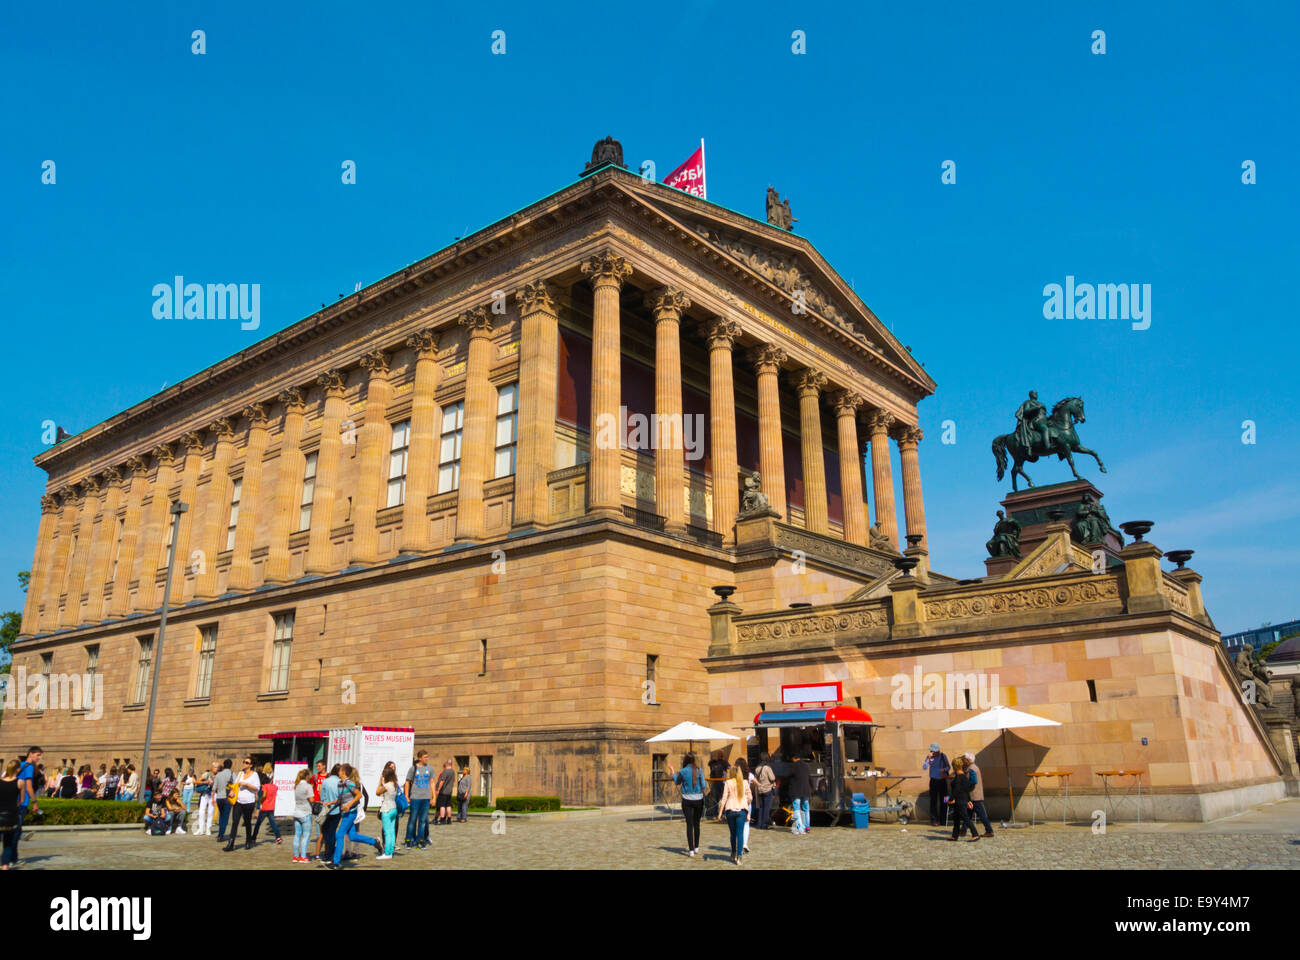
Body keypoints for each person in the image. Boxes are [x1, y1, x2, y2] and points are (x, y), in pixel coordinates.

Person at [330, 764, 381, 869]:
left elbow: (359, 795)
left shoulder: (349, 783)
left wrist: (348, 805)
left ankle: (336, 862)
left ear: (343, 772)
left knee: (339, 835)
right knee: (352, 836)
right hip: (345, 813)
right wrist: (329, 803)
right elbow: (340, 800)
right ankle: (374, 842)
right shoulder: (340, 783)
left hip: (351, 813)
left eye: (340, 770)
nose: (338, 771)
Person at [666, 753, 706, 857]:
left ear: (685, 761)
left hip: (687, 801)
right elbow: (704, 785)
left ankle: (691, 850)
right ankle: (696, 847)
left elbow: (677, 782)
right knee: (697, 824)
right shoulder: (699, 770)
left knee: (689, 825)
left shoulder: (683, 771)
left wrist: (672, 771)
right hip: (699, 799)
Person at [716, 763, 752, 865]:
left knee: (733, 834)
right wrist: (746, 802)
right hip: (741, 810)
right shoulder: (744, 782)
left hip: (730, 810)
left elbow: (724, 798)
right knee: (740, 833)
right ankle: (739, 856)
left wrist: (720, 813)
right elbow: (750, 797)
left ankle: (733, 852)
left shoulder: (728, 782)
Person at [223, 757, 259, 851]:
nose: (244, 764)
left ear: (251, 765)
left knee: (247, 822)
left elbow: (257, 788)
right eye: (244, 762)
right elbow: (235, 786)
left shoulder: (254, 775)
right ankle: (230, 843)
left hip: (249, 802)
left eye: (247, 762)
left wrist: (246, 785)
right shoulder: (240, 774)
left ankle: (248, 841)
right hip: (238, 801)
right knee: (235, 822)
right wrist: (232, 792)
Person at [404, 751, 433, 848]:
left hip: (426, 798)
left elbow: (432, 783)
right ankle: (409, 840)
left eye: (427, 757)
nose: (427, 759)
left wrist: (433, 797)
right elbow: (407, 782)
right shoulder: (413, 769)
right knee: (412, 820)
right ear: (420, 758)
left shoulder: (429, 768)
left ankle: (420, 840)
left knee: (423, 820)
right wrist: (407, 796)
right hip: (415, 797)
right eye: (425, 757)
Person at [963, 752, 994, 838]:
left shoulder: (972, 769)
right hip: (973, 795)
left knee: (981, 814)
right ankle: (963, 830)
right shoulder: (972, 767)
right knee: (968, 814)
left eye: (965, 759)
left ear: (968, 760)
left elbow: (973, 781)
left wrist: (965, 785)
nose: (963, 760)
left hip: (974, 795)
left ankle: (989, 830)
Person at [316, 764, 342, 863]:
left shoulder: (325, 781)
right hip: (337, 810)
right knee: (332, 831)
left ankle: (329, 852)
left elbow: (322, 796)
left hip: (326, 810)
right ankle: (330, 852)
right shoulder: (340, 782)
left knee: (326, 832)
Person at [948, 757, 978, 842]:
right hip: (962, 800)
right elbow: (966, 789)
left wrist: (951, 799)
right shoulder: (963, 776)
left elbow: (956, 790)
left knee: (965, 818)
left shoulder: (958, 777)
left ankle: (975, 834)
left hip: (959, 801)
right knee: (956, 818)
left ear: (954, 766)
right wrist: (968, 801)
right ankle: (954, 835)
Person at [252, 764, 282, 845]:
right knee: (273, 823)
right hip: (272, 808)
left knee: (258, 824)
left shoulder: (265, 786)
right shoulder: (275, 786)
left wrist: (260, 800)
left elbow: (264, 795)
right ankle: (278, 837)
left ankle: (253, 838)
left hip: (265, 808)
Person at [17, 746, 40, 848]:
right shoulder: (29, 767)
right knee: (16, 826)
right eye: (38, 755)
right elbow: (28, 787)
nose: (39, 757)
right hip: (22, 800)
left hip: (12, 799)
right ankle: (10, 858)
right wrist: (34, 802)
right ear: (30, 753)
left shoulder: (19, 765)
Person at [922, 743, 950, 827]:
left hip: (942, 781)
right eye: (931, 751)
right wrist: (928, 759)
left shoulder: (943, 756)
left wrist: (943, 769)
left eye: (933, 751)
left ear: (937, 751)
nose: (931, 752)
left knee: (945, 800)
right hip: (933, 781)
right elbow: (924, 767)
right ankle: (934, 820)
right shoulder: (929, 757)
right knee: (933, 801)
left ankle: (944, 820)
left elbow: (948, 767)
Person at [376, 763, 400, 859]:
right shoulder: (394, 784)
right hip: (394, 808)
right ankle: (390, 852)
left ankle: (387, 853)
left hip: (386, 809)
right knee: (392, 832)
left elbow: (377, 792)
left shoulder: (386, 785)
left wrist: (380, 783)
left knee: (387, 832)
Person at [0, 760, 20, 869]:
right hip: (11, 815)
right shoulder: (19, 782)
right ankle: (5, 866)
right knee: (8, 842)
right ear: (17, 769)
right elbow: (21, 800)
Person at [734, 757, 756, 855]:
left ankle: (739, 844)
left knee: (737, 825)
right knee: (747, 824)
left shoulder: (733, 776)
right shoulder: (749, 775)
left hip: (736, 801)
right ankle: (745, 844)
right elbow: (756, 783)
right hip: (747, 801)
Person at [292, 769, 314, 863]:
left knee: (297, 835)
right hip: (306, 812)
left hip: (296, 812)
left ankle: (295, 856)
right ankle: (303, 856)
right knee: (306, 835)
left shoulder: (296, 786)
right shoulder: (308, 786)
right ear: (307, 776)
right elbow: (311, 800)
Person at [753, 752, 777, 830]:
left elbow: (755, 778)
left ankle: (759, 824)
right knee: (767, 808)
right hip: (767, 789)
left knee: (761, 807)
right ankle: (764, 824)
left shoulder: (757, 768)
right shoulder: (767, 768)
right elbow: (772, 778)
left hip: (760, 790)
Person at [213, 759, 234, 841]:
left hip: (219, 797)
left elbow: (214, 787)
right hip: (228, 798)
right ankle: (221, 834)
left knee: (221, 816)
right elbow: (235, 785)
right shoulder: (232, 774)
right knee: (225, 817)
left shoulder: (218, 775)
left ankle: (220, 833)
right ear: (231, 765)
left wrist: (212, 798)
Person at [195, 763, 217, 836]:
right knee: (201, 810)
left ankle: (208, 828)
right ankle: (201, 828)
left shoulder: (218, 776)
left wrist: (213, 784)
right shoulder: (206, 774)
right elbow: (197, 781)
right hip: (205, 793)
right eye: (215, 767)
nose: (216, 769)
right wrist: (206, 782)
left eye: (217, 767)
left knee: (211, 811)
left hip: (213, 794)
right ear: (212, 768)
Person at [434, 758, 455, 826]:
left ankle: (442, 819)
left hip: (443, 791)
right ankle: (449, 819)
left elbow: (442, 781)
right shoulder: (452, 772)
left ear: (446, 764)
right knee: (448, 805)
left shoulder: (445, 771)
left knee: (442, 805)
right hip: (449, 791)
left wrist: (438, 789)